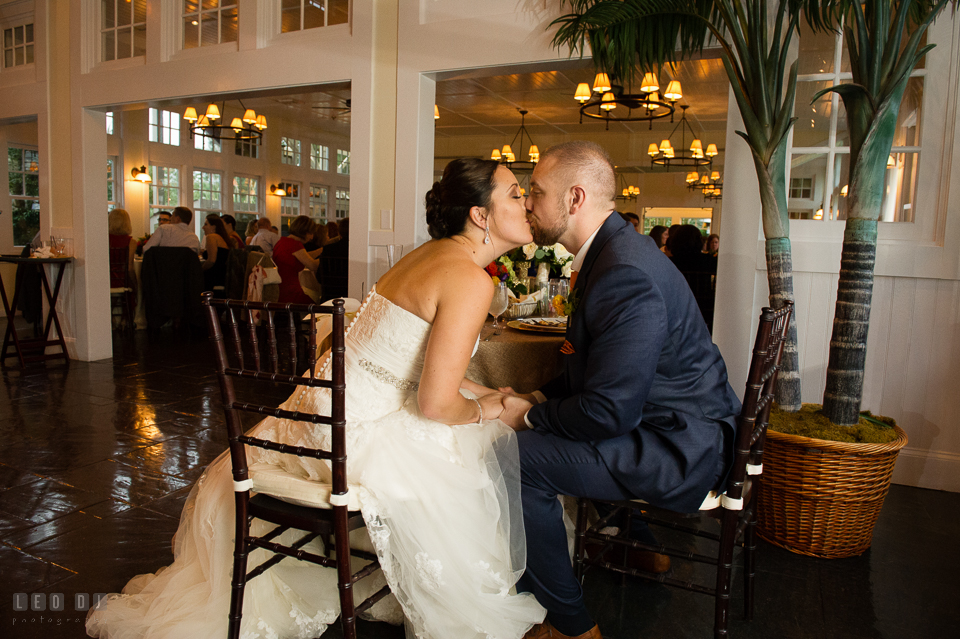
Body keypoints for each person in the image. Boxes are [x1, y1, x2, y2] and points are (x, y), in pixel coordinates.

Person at [86, 158, 546, 639]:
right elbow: (434, 403)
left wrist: (487, 392)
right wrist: (488, 408)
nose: (526, 203)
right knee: (475, 448)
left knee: (478, 428)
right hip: (350, 433)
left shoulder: (425, 255)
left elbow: (405, 362)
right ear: (479, 215)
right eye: (515, 193)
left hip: (314, 414)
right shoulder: (471, 279)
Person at [498, 142, 741, 639]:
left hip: (681, 445)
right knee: (545, 430)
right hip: (670, 422)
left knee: (514, 458)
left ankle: (571, 627)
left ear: (575, 198)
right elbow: (593, 372)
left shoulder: (624, 271)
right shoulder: (614, 252)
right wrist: (540, 399)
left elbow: (608, 412)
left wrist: (526, 417)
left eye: (537, 193)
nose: (527, 203)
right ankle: (640, 545)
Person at [273, 215, 323, 304]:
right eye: (310, 233)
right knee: (317, 307)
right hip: (290, 292)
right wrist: (327, 254)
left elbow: (305, 256)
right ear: (304, 232)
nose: (311, 237)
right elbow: (313, 266)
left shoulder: (283, 241)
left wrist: (321, 250)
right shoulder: (295, 245)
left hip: (279, 289)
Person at [201, 214, 232, 292]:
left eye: (206, 224)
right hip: (223, 277)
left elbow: (211, 260)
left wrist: (200, 270)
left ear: (214, 226)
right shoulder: (223, 239)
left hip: (213, 278)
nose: (203, 227)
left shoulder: (211, 237)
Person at [107, 208, 137, 291]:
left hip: (105, 280)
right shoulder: (131, 242)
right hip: (122, 282)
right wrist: (135, 283)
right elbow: (129, 268)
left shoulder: (104, 240)